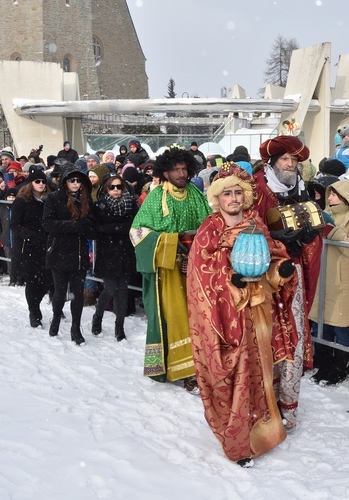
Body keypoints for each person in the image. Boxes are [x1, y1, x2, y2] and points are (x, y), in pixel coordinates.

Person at [187, 163, 297, 467]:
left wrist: (281, 271)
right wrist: (230, 282)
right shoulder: (209, 230)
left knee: (259, 372)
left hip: (258, 313)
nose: (233, 198)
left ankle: (262, 430)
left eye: (238, 192)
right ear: (218, 198)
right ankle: (237, 439)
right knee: (234, 375)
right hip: (226, 316)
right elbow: (201, 275)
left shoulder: (256, 224)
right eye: (227, 194)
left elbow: (273, 262)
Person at [252, 134, 321, 428]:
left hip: (294, 274)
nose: (291, 165)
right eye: (285, 159)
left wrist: (308, 237)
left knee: (293, 336)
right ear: (273, 162)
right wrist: (274, 241)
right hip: (266, 277)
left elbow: (313, 226)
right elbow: (247, 231)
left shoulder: (301, 190)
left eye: (295, 160)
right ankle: (263, 405)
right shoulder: (258, 190)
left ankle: (288, 407)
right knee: (265, 337)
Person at [130, 146, 210, 390]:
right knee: (176, 318)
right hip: (168, 271)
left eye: (185, 168)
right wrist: (171, 242)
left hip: (196, 268)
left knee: (198, 317)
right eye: (176, 169)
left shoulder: (195, 193)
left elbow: (209, 225)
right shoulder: (155, 197)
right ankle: (182, 368)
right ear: (165, 172)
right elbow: (137, 232)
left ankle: (202, 366)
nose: (182, 173)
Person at [308, 179, 349, 386]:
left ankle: (340, 367)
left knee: (340, 327)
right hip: (324, 278)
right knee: (322, 324)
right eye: (330, 194)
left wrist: (333, 232)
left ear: (346, 198)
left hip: (342, 283)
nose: (330, 198)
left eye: (334, 195)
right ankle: (323, 364)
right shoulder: (325, 214)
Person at [42, 166, 98, 344]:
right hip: (58, 251)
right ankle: (56, 317)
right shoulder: (53, 198)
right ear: (65, 181)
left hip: (79, 252)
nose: (75, 183)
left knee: (77, 293)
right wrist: (73, 226)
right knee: (59, 292)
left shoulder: (86, 199)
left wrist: (85, 227)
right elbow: (48, 224)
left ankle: (76, 327)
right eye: (71, 180)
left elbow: (91, 223)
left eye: (78, 180)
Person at [91, 173, 139, 341]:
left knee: (123, 290)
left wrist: (113, 228)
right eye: (112, 187)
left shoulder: (131, 204)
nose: (116, 190)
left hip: (125, 250)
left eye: (119, 186)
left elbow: (133, 225)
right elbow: (97, 228)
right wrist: (118, 228)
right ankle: (98, 316)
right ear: (106, 188)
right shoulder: (100, 206)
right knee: (110, 288)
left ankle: (120, 326)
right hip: (108, 251)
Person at [12, 168, 54, 328]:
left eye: (43, 181)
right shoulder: (22, 200)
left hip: (47, 246)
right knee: (32, 281)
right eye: (37, 181)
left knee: (46, 280)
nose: (41, 184)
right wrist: (30, 236)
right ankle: (34, 311)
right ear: (31, 183)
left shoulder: (50, 199)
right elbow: (14, 224)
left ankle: (36, 306)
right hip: (28, 247)